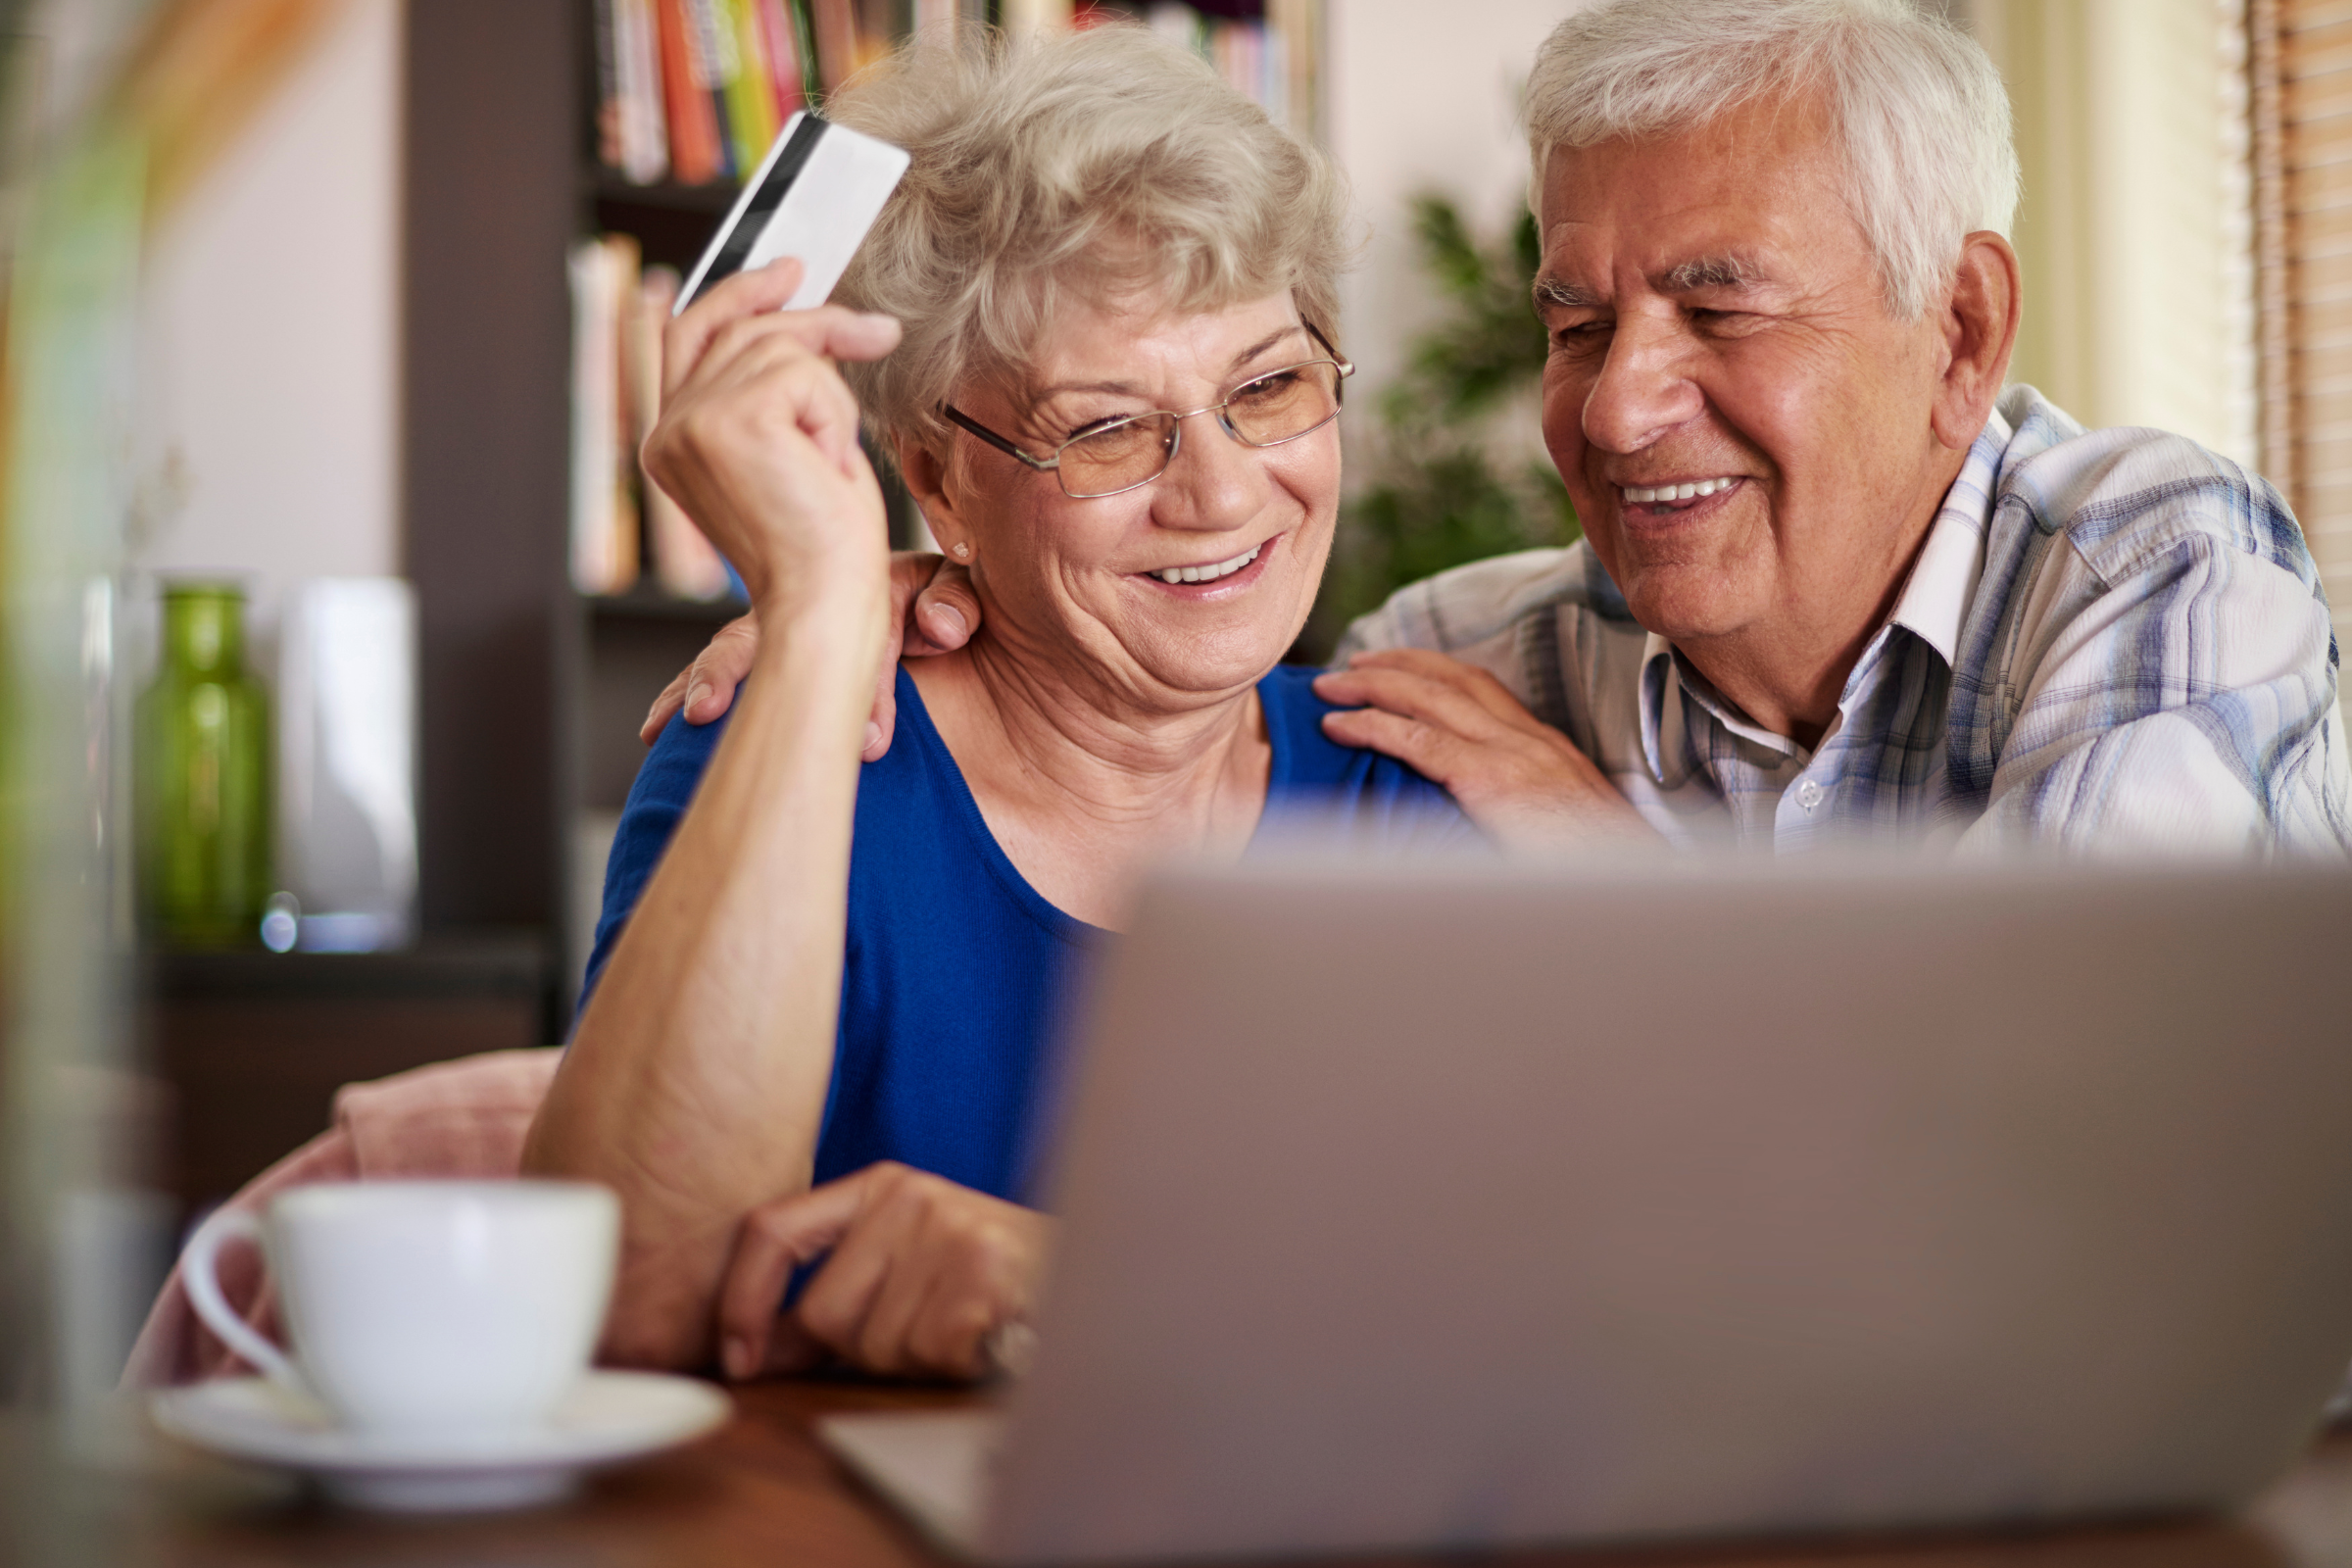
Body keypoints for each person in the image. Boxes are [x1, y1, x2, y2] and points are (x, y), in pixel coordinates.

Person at [654, 0, 2351, 856]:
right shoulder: (1467, 670)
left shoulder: (2155, 576)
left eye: (1720, 310)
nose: (1614, 405)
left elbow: (2047, 1158)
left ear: (1961, 328)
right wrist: (887, 597)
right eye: (1577, 321)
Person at [524, 24, 1470, 1385]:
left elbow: (1524, 1323)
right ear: (937, 477)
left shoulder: (1411, 778)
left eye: (1268, 388)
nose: (1219, 493)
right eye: (1106, 428)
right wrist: (820, 603)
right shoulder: (794, 749)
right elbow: (619, 1311)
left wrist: (1087, 1289)